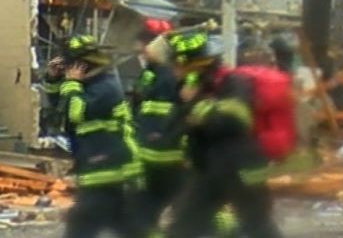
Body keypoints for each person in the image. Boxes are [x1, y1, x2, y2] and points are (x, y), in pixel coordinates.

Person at [166, 31, 282, 238]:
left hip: (241, 167)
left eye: (176, 65)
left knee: (258, 226)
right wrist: (189, 107)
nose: (174, 70)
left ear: (191, 64)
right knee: (183, 226)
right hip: (209, 169)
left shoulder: (233, 82)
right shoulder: (191, 87)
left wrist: (196, 107)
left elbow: (235, 120)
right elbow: (175, 125)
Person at [45, 35, 145, 238]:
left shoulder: (105, 87)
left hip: (110, 165)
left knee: (82, 224)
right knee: (127, 226)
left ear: (81, 65)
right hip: (100, 162)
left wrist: (72, 83)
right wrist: (54, 79)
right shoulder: (88, 84)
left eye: (69, 64)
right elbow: (60, 106)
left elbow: (76, 113)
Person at [130, 19, 184, 233]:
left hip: (168, 157)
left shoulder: (170, 77)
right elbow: (139, 106)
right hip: (150, 155)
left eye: (144, 45)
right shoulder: (151, 74)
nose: (140, 51)